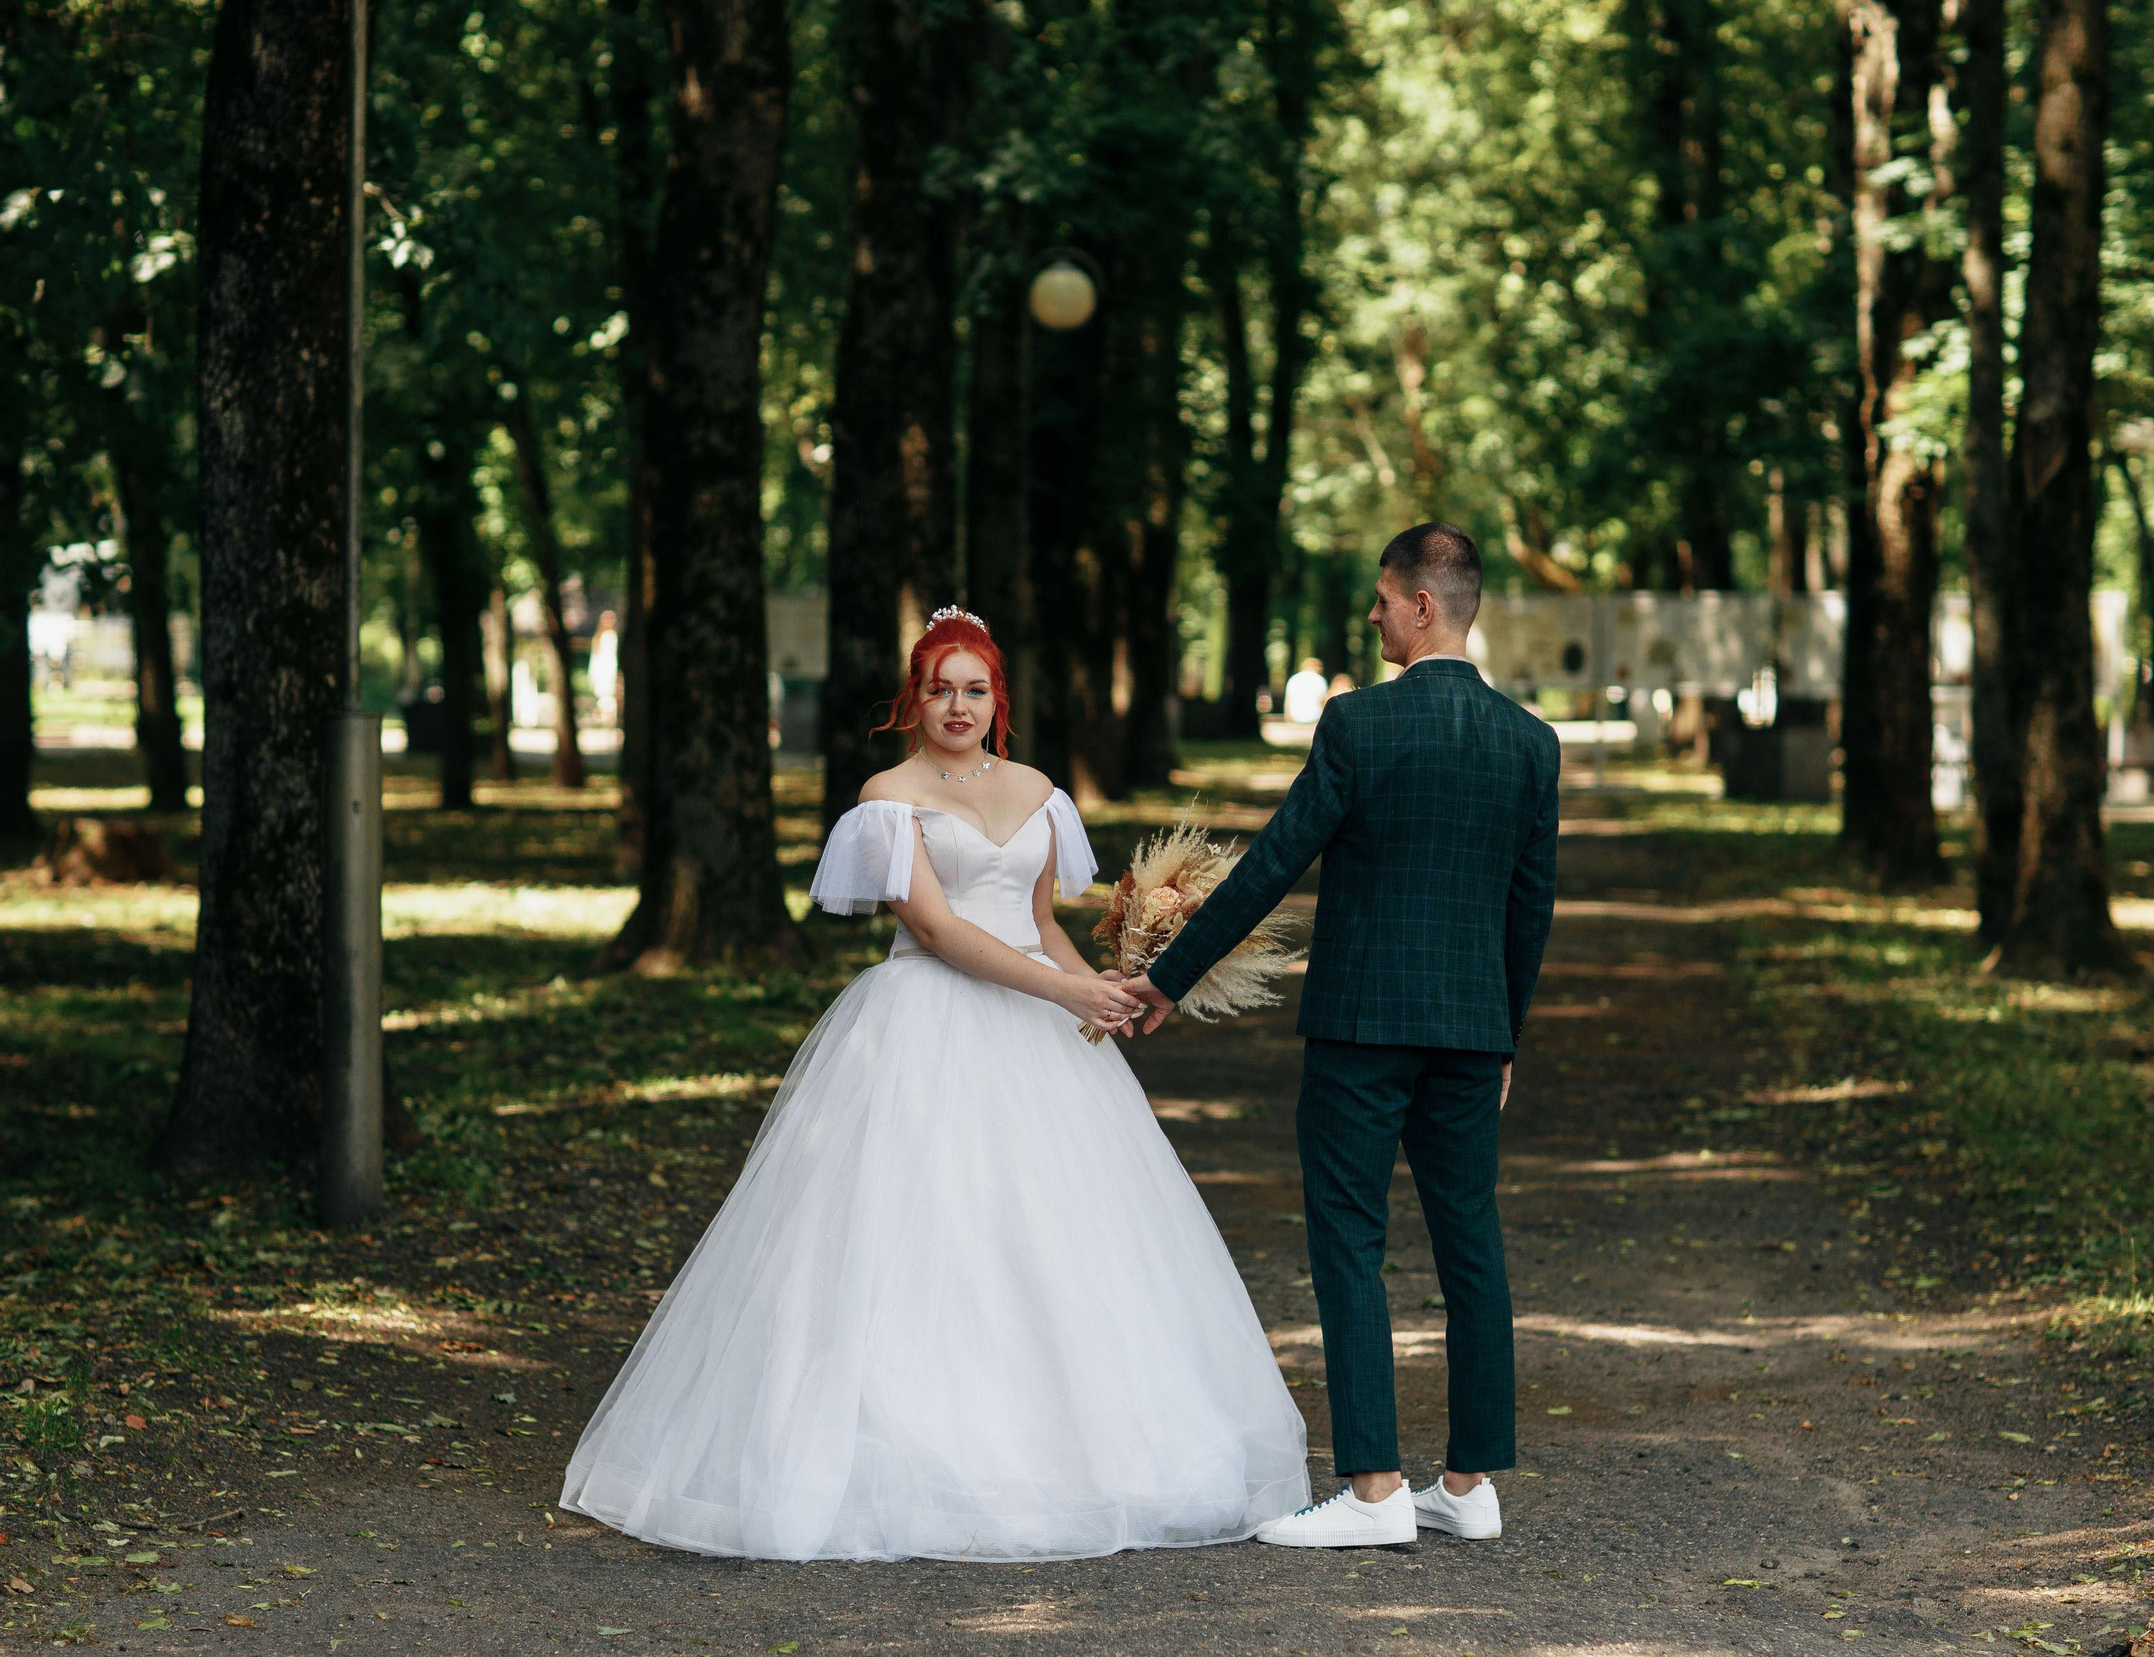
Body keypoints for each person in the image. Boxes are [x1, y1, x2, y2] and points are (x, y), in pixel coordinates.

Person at [561, 607, 1307, 1562]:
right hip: (921, 1023)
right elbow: (940, 928)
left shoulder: (1038, 789)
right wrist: (1067, 987)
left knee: (1061, 1236)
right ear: (915, 696)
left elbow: (1037, 920)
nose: (958, 705)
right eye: (941, 687)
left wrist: (1106, 993)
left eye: (976, 689)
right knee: (907, 1234)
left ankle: (1082, 1450)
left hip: (1035, 1032)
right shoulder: (888, 794)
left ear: (999, 699)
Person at [1124, 522, 1560, 1550]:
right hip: (1468, 1032)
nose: (1370, 615)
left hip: (1363, 1027)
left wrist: (1167, 981)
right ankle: (1466, 1486)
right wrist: (1505, 1040)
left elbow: (1276, 862)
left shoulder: (1359, 726)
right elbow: (1527, 907)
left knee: (1350, 1246)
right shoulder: (1528, 742)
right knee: (1473, 1252)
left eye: (1380, 598)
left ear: (1421, 605)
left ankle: (1372, 1492)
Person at [1282, 655, 1329, 725]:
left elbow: (1288, 699)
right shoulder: (1319, 680)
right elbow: (1322, 701)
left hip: (1295, 717)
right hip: (1315, 718)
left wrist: (1287, 715)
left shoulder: (1293, 679)